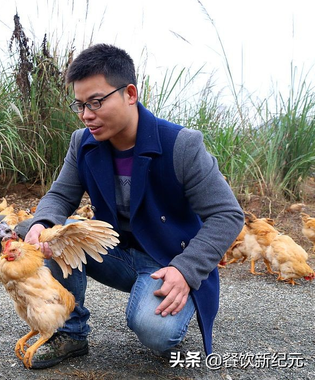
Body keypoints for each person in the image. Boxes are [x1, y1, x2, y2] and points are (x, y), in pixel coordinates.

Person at [23, 43, 244, 369]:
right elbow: (60, 196)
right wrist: (41, 224)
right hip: (114, 252)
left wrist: (187, 270)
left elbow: (227, 214)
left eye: (96, 102)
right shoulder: (82, 143)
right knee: (51, 236)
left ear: (129, 93)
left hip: (168, 259)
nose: (87, 115)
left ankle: (180, 300)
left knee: (155, 331)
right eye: (80, 105)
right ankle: (70, 333)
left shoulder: (181, 145)